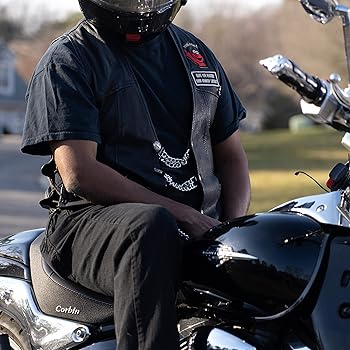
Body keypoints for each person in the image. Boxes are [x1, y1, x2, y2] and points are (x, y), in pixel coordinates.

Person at [21, 0, 251, 349]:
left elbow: (233, 158)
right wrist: (182, 214)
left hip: (191, 224)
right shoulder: (69, 58)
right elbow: (79, 173)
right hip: (88, 220)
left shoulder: (195, 56)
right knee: (150, 227)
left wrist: (233, 234)